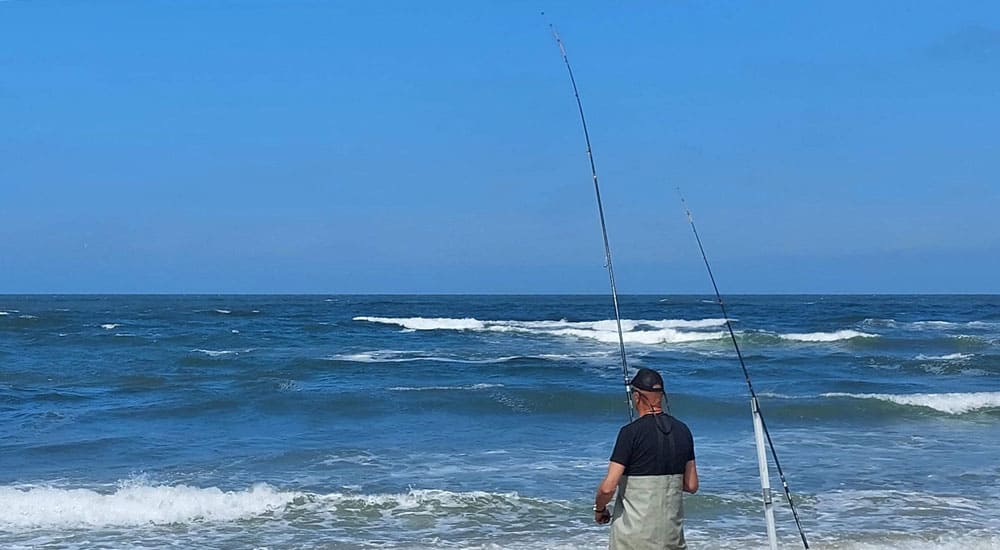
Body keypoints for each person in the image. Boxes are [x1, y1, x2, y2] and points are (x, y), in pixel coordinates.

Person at [593, 367, 698, 550]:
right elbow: (691, 485)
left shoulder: (630, 433)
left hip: (632, 541)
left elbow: (607, 488)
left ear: (636, 396)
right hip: (671, 539)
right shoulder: (683, 431)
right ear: (662, 396)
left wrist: (600, 509)